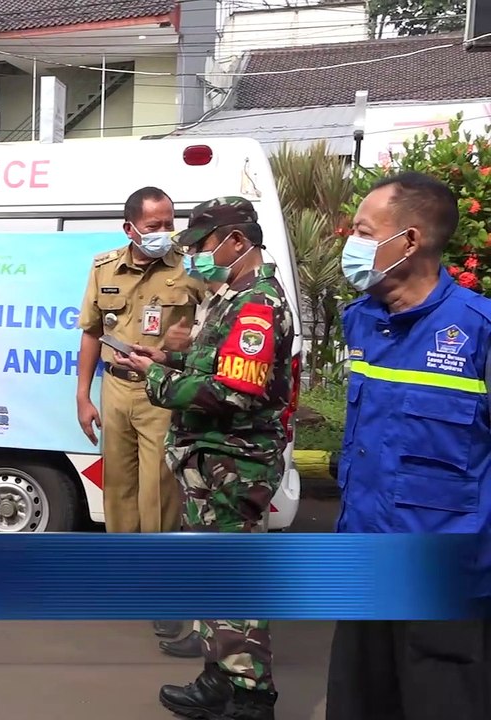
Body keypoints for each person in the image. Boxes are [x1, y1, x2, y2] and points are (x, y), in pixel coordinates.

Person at [111, 196, 294, 720]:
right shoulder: (232, 296)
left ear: (237, 241)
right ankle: (219, 677)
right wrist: (162, 356)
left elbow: (232, 394)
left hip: (233, 466)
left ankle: (252, 697)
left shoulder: (257, 304)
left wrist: (156, 379)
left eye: (206, 243)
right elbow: (212, 362)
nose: (197, 255)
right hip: (210, 464)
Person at [325, 171, 491, 720]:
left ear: (410, 240)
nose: (351, 245)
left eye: (364, 232)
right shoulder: (362, 323)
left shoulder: (477, 331)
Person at [76, 186, 206, 645]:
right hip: (115, 389)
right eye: (154, 226)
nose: (164, 233)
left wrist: (180, 348)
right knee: (120, 488)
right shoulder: (105, 267)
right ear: (130, 228)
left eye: (169, 223)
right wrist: (82, 397)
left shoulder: (190, 267)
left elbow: (212, 330)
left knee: (159, 490)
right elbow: (92, 333)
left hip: (162, 392)